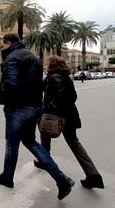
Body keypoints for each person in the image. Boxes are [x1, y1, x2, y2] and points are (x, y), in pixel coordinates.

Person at [0, 33, 74, 200]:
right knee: (30, 141)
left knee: (12, 144)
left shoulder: (11, 58)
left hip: (18, 108)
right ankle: (61, 179)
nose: (1, 47)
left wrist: (6, 98)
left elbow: (12, 84)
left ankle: (7, 177)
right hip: (35, 107)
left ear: (8, 42)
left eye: (2, 45)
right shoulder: (33, 57)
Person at [34, 56, 104, 189]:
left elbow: (47, 94)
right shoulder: (67, 77)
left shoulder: (52, 78)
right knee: (74, 143)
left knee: (45, 133)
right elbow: (73, 97)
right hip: (70, 116)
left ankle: (45, 160)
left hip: (57, 116)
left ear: (52, 65)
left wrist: (46, 110)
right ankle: (93, 175)